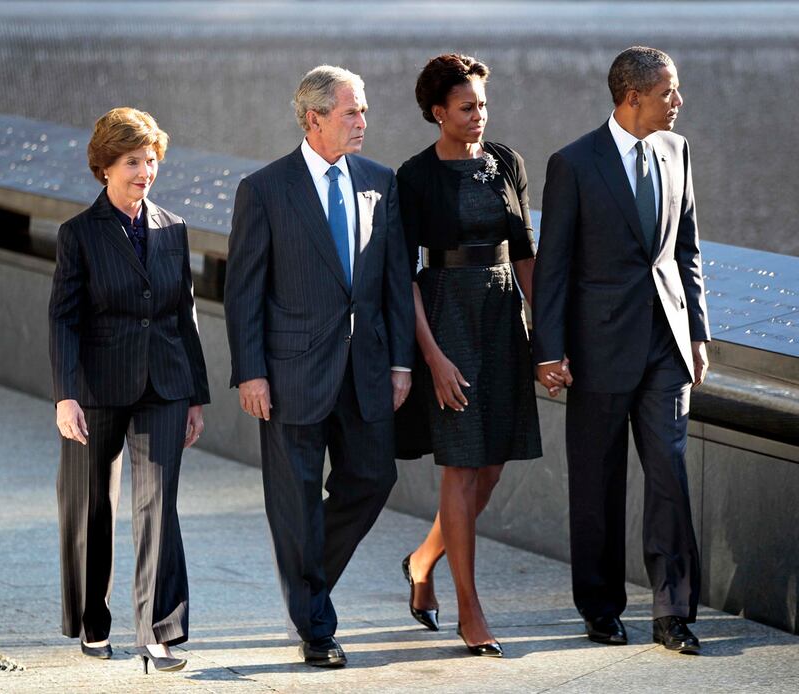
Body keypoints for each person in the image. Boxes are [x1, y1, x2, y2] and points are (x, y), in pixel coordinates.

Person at [224, 65, 415, 668]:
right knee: (297, 502)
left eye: (364, 111)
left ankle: (305, 587)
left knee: (372, 478)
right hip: (289, 376)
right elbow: (244, 292)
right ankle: (316, 627)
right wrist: (250, 372)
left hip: (367, 372)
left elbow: (393, 282)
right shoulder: (265, 189)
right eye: (351, 112)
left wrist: (402, 363)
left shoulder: (380, 181)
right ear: (314, 119)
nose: (363, 122)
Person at [532, 46, 711, 654]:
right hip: (597, 347)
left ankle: (672, 613)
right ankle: (601, 607)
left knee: (670, 473)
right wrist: (548, 350)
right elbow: (552, 266)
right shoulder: (574, 163)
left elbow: (686, 247)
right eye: (669, 92)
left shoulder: (678, 151)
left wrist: (698, 333)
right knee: (597, 481)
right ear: (633, 96)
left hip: (667, 345)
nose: (678, 103)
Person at [395, 54, 557, 658]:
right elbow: (403, 274)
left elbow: (526, 254)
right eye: (466, 108)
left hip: (503, 315)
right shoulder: (414, 177)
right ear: (438, 113)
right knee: (461, 467)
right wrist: (432, 357)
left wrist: (547, 338)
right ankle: (469, 608)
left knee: (493, 465)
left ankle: (421, 560)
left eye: (482, 105)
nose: (478, 117)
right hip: (446, 314)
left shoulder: (507, 162)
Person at [49, 107, 210, 673]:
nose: (145, 172)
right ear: (105, 167)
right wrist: (66, 395)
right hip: (94, 389)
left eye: (151, 161)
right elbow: (63, 319)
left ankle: (159, 630)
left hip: (164, 384)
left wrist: (195, 395)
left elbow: (183, 314)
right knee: (92, 505)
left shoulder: (172, 227)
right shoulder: (78, 235)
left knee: (159, 505)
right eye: (133, 162)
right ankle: (94, 621)